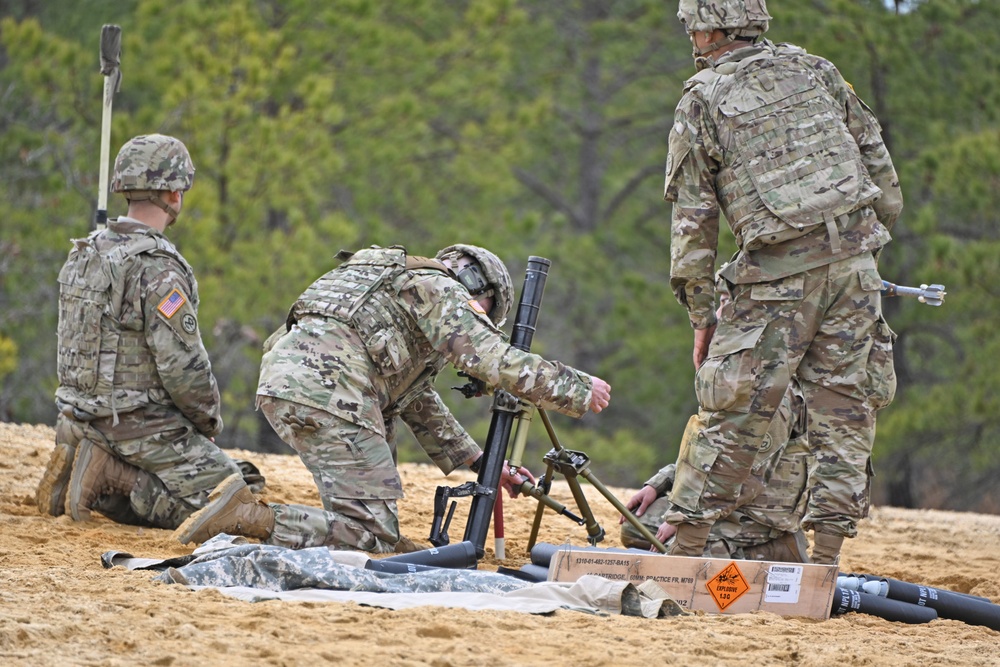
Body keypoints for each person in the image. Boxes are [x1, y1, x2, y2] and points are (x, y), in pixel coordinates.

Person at [174, 243, 612, 553]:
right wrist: (576, 387)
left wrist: (481, 463)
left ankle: (359, 531)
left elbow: (417, 400)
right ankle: (248, 517)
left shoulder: (395, 281)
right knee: (370, 535)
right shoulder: (442, 292)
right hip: (333, 397)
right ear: (482, 294)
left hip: (289, 387)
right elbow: (494, 360)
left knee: (374, 526)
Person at [662, 0, 902, 564]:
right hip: (854, 266)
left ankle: (684, 559)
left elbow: (693, 226)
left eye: (693, 25)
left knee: (733, 410)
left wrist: (702, 315)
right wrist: (854, 253)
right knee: (845, 408)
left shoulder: (702, 99)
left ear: (713, 28)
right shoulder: (817, 71)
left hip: (775, 277)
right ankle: (824, 565)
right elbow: (883, 180)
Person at [34, 133, 247, 529]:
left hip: (75, 418)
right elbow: (184, 368)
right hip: (136, 428)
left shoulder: (86, 251)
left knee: (243, 475)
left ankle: (89, 475)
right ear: (173, 192)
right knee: (234, 499)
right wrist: (207, 424)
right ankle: (113, 476)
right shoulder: (158, 269)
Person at [620, 382, 812, 563]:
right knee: (634, 526)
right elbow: (710, 450)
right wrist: (662, 481)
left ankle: (773, 550)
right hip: (724, 502)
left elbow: (750, 480)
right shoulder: (745, 382)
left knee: (686, 560)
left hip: (755, 515)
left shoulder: (775, 397)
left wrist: (685, 516)